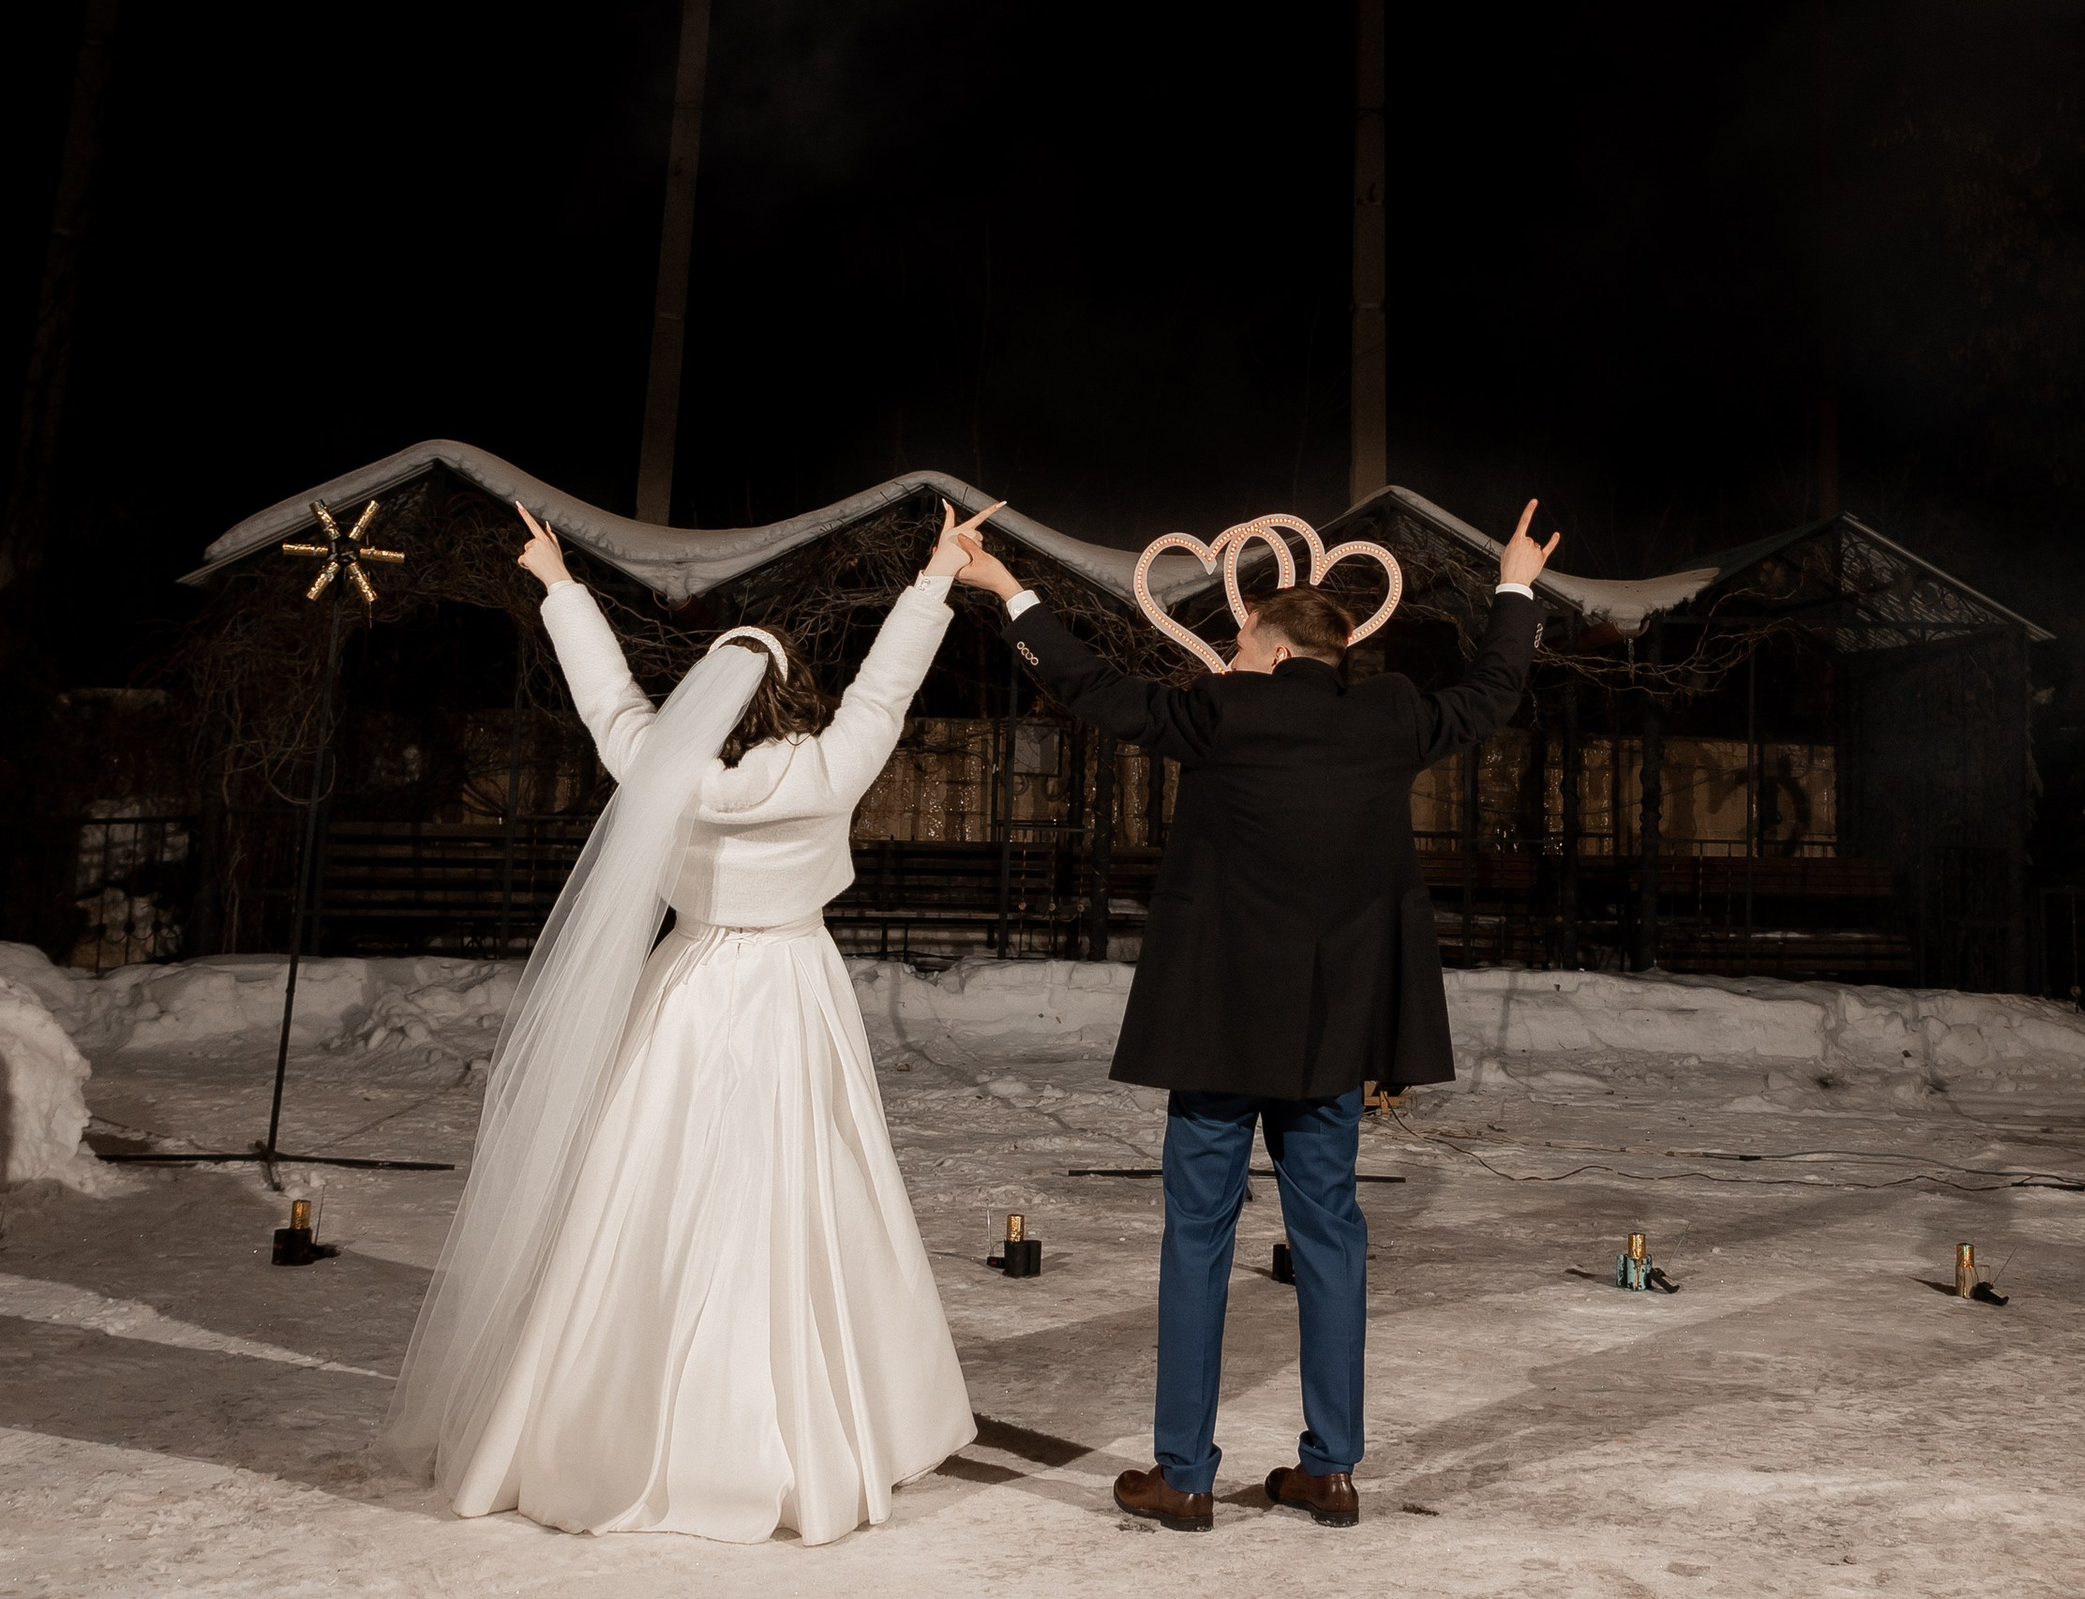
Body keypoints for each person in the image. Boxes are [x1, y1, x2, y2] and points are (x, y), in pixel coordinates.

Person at [383, 499, 995, 1541]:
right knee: (800, 1183)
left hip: (691, 983)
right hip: (793, 988)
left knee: (650, 1182)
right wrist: (935, 576)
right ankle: (812, 1423)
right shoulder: (829, 767)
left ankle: (612, 1410)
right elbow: (889, 687)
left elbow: (606, 699)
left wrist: (559, 583)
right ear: (794, 691)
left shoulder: (658, 769)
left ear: (707, 701)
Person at [947, 501, 1559, 1530]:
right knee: (1330, 1238)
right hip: (1329, 1041)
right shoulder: (1392, 716)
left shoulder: (1225, 712)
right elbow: (1494, 690)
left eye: (1239, 642)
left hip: (1219, 1034)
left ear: (1273, 651)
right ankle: (1332, 1471)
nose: (1229, 654)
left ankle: (1182, 1475)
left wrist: (1007, 589)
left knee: (1197, 1239)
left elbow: (1092, 689)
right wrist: (1514, 585)